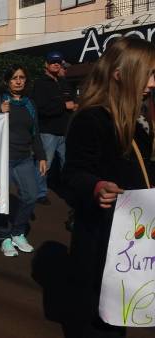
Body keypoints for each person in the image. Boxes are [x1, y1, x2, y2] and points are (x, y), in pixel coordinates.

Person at [62, 37, 155, 338]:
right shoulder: (92, 120)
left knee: (124, 314)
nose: (152, 83)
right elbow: (73, 174)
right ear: (120, 74)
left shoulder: (138, 121)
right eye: (149, 74)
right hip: (103, 242)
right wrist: (96, 186)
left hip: (136, 240)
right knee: (101, 320)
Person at [0, 64, 47, 257]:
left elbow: (35, 133)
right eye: (14, 78)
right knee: (3, 200)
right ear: (7, 81)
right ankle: (4, 237)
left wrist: (41, 156)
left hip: (24, 158)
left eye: (22, 77)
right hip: (2, 159)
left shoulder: (29, 104)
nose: (18, 81)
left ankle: (18, 232)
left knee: (31, 195)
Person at [31, 51, 76, 206]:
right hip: (48, 132)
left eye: (58, 62)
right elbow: (41, 108)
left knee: (67, 163)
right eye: (53, 62)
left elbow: (73, 100)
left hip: (65, 131)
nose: (56, 64)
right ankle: (40, 193)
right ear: (46, 64)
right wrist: (64, 105)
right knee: (45, 164)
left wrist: (74, 105)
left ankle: (68, 191)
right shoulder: (40, 83)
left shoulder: (63, 82)